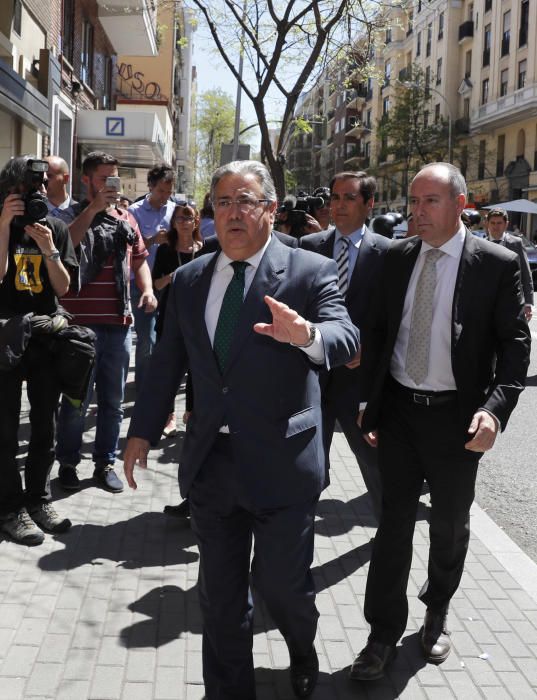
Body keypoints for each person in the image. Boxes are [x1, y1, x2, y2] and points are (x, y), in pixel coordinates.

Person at [123, 160, 359, 699]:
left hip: (282, 463)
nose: (230, 213)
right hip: (213, 465)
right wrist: (140, 432)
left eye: (244, 200)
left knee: (283, 588)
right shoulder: (189, 279)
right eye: (221, 202)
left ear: (270, 210)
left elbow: (346, 338)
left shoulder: (308, 271)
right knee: (220, 597)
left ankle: (303, 648)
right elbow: (166, 363)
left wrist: (306, 336)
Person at [350, 163, 531, 681]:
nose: (417, 212)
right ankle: (382, 633)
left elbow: (515, 349)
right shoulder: (395, 257)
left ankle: (437, 610)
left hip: (457, 419)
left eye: (430, 201)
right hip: (402, 413)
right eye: (413, 201)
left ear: (459, 205)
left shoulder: (495, 264)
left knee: (450, 525)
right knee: (393, 527)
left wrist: (494, 411)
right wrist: (371, 402)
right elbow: (378, 332)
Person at [55, 151, 157, 493]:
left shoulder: (126, 217)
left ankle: (104, 463)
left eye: (114, 178)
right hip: (77, 327)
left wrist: (146, 290)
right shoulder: (71, 214)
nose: (110, 185)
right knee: (74, 402)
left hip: (118, 324)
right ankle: (67, 464)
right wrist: (93, 209)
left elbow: (139, 258)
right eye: (104, 178)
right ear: (87, 180)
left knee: (113, 403)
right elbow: (65, 245)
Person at [300, 171, 389, 520]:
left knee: (376, 468)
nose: (338, 205)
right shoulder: (309, 247)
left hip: (360, 386)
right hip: (313, 382)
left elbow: (396, 318)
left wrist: (370, 349)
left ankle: (390, 538)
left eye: (349, 198)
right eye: (335, 198)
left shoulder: (389, 253)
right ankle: (294, 559)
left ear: (369, 204)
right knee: (306, 473)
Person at [0, 155, 78, 545]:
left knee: (45, 426)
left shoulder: (57, 229)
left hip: (46, 338)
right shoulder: (0, 225)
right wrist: (2, 226)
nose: (40, 193)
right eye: (31, 188)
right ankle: (10, 509)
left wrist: (48, 249)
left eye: (43, 185)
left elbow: (63, 289)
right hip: (6, 340)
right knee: (4, 428)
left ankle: (38, 501)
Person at [152, 202, 204, 437]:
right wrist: (175, 276)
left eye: (189, 218)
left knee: (197, 367)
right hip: (170, 315)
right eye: (180, 219)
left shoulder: (204, 250)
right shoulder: (165, 250)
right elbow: (156, 284)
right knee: (170, 366)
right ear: (173, 222)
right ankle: (169, 416)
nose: (184, 223)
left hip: (199, 317)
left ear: (196, 222)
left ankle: (191, 413)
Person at [128, 164, 176, 390]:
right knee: (147, 338)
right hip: (141, 284)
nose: (165, 197)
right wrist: (152, 240)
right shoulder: (134, 212)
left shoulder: (175, 211)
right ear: (151, 186)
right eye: (161, 192)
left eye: (168, 192)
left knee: (166, 338)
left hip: (169, 283)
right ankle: (143, 388)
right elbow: (129, 248)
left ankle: (160, 384)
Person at [485, 207, 533, 321]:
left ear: (506, 224)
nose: (496, 226)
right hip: (488, 303)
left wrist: (528, 303)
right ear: (487, 223)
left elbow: (526, 273)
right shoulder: (480, 245)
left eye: (499, 223)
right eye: (492, 223)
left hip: (513, 302)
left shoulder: (516, 243)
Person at [44, 156, 77, 224]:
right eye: (41, 176)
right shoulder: (34, 211)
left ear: (65, 179)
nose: (44, 181)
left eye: (49, 176)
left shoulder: (80, 213)